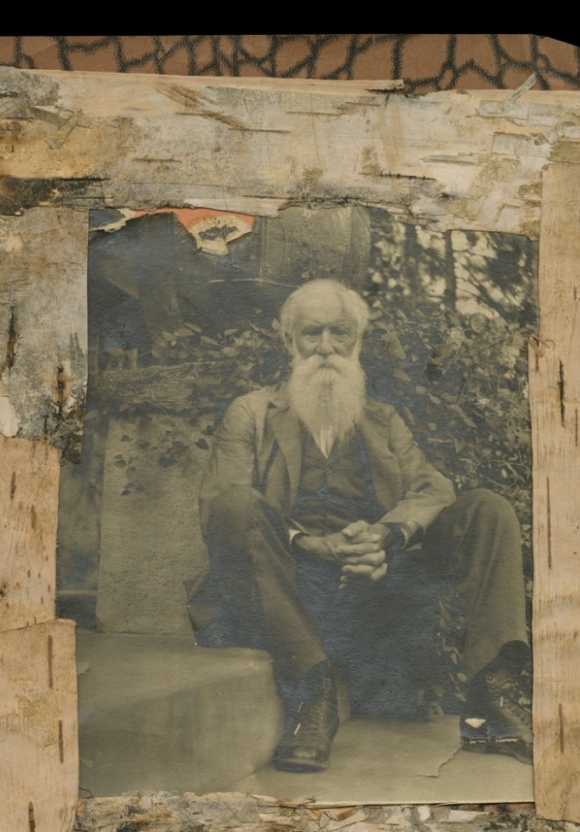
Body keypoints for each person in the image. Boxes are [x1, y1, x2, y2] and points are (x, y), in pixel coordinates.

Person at [197, 279, 532, 772]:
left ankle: (490, 693)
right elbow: (220, 507)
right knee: (236, 505)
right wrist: (311, 543)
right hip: (287, 585)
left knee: (487, 509)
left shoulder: (384, 419)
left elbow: (433, 490)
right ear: (288, 341)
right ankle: (312, 694)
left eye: (341, 333)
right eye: (313, 334)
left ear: (358, 342)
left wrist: (384, 536)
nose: (327, 347)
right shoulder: (250, 414)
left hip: (374, 590)